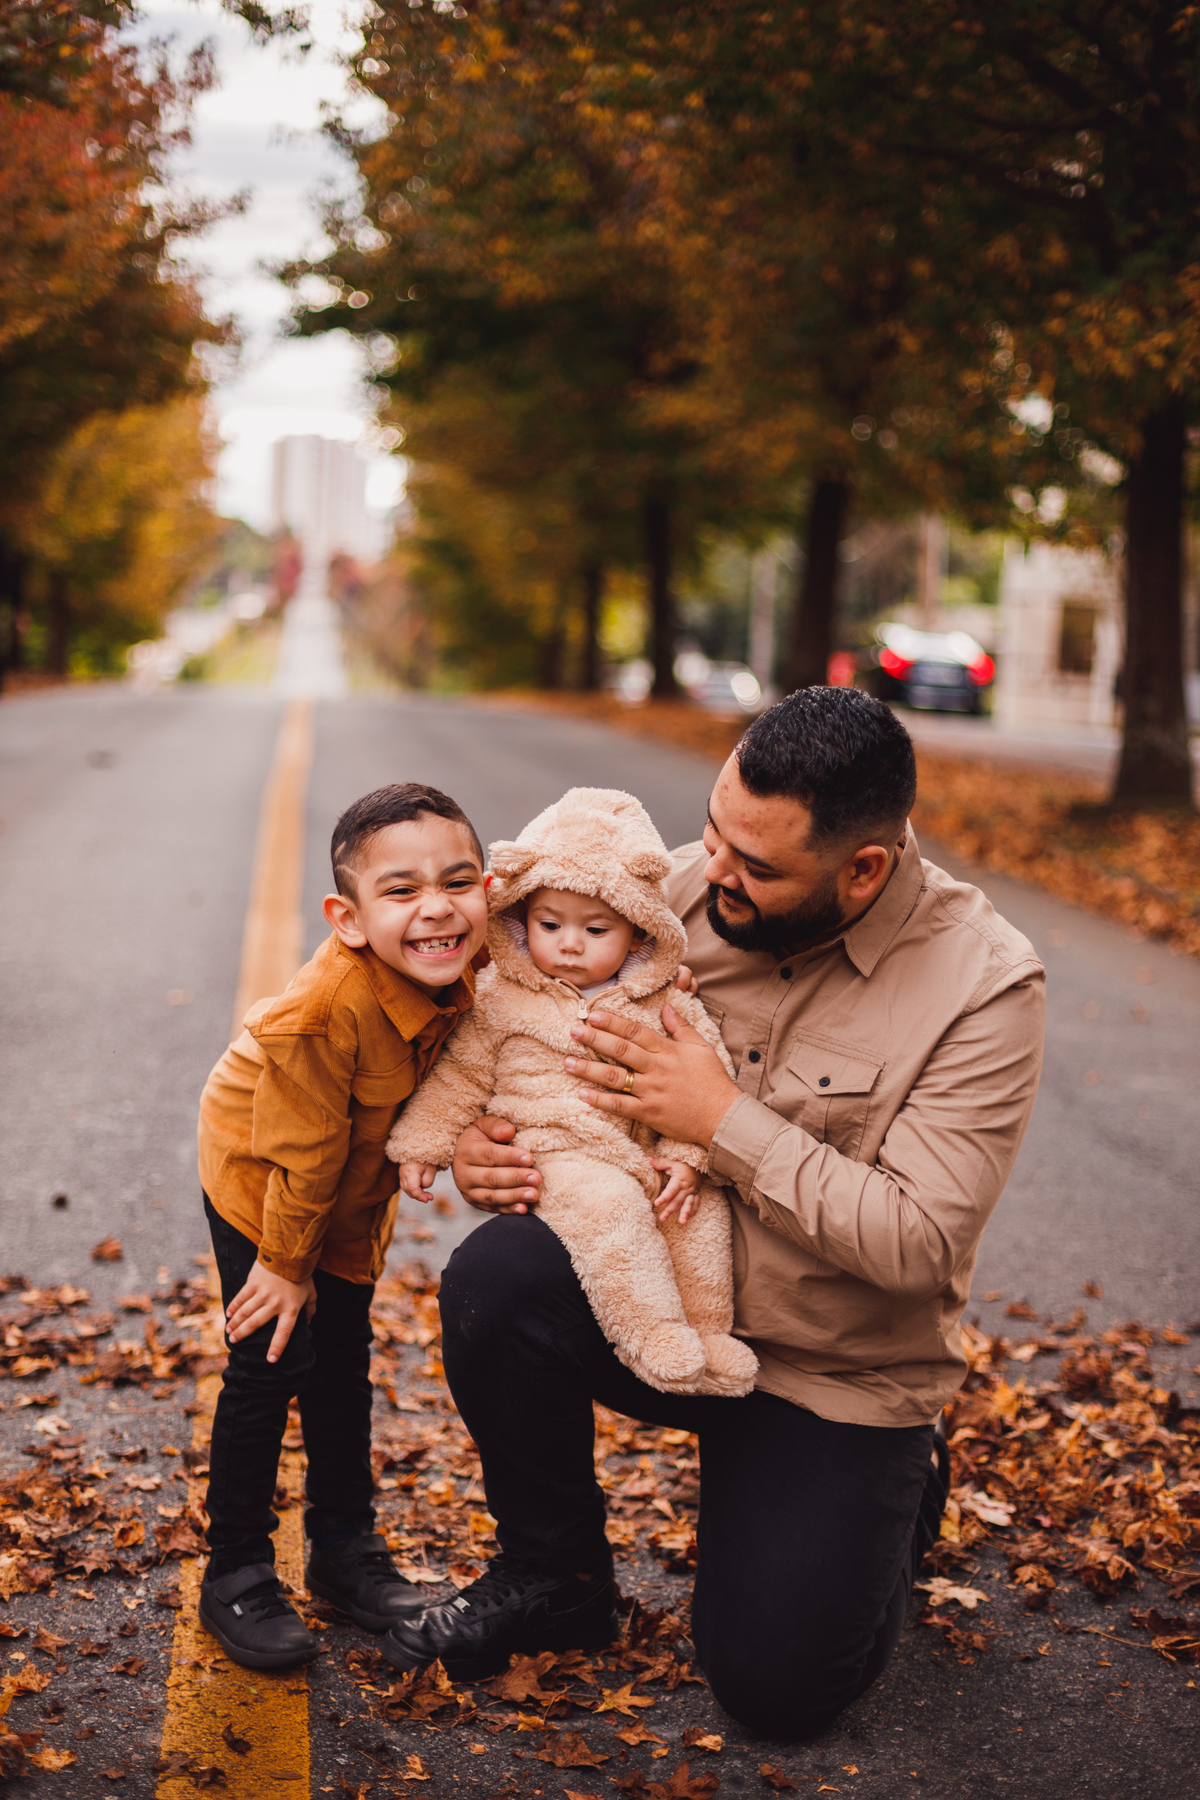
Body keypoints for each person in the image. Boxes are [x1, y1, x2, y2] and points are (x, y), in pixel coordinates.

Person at [383, 688, 1046, 1738]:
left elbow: (920, 1245)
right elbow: (508, 1019)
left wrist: (720, 1119)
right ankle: (554, 1577)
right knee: (495, 1278)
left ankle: (892, 1489)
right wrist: (481, 1144)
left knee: (778, 1693)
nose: (715, 875)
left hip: (834, 1372)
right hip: (672, 1305)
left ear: (862, 869)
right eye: (713, 833)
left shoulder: (984, 986)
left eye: (758, 866)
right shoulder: (662, 909)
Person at [195, 782, 490, 1671]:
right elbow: (305, 1151)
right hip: (266, 1179)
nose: (436, 907)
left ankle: (343, 1549)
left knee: (345, 1358)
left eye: (459, 880)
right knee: (273, 1355)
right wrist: (285, 1267)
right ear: (349, 917)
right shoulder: (321, 1012)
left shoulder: (468, 960)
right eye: (400, 890)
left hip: (352, 1186)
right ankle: (237, 1567)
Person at [387, 786, 758, 1407]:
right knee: (611, 1217)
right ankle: (653, 1337)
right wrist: (423, 1143)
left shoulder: (664, 999)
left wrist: (686, 1160)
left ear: (638, 929)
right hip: (557, 1154)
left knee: (698, 1220)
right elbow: (460, 1076)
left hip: (644, 1151)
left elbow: (708, 1072)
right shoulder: (505, 996)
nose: (569, 944)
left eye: (596, 929)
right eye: (549, 925)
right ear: (520, 917)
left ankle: (709, 1338)